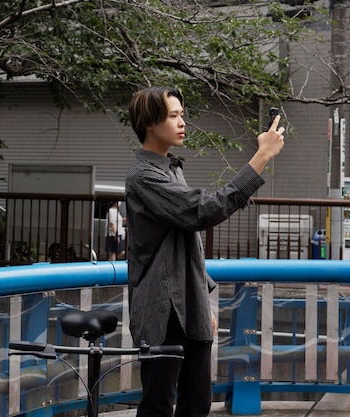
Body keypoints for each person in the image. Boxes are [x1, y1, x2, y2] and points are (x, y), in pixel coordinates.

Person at [125, 86, 284, 417]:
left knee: (197, 403)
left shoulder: (171, 168)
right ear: (150, 123)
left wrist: (200, 297)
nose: (183, 122)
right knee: (157, 404)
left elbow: (186, 244)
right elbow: (203, 210)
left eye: (183, 115)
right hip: (160, 310)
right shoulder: (144, 178)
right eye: (174, 116)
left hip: (188, 306)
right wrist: (261, 158)